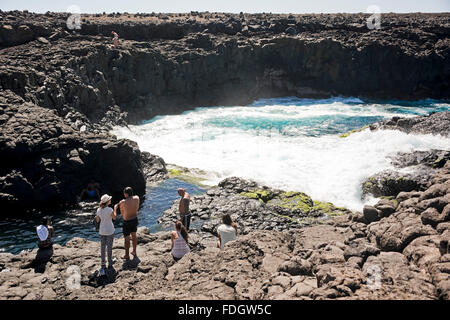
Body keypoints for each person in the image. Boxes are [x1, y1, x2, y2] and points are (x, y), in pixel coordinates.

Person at [114, 187, 139, 260]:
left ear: (126, 194)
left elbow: (122, 213)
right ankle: (134, 251)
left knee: (127, 238)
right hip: (135, 219)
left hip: (127, 221)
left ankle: (127, 255)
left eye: (124, 193)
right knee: (134, 235)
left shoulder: (122, 202)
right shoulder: (137, 198)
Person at [96, 194, 117, 275]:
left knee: (103, 248)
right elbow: (114, 218)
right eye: (109, 199)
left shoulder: (98, 210)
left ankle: (103, 264)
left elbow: (97, 220)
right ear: (107, 201)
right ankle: (110, 263)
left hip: (102, 231)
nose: (110, 200)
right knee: (109, 247)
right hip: (110, 231)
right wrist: (115, 209)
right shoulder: (110, 209)